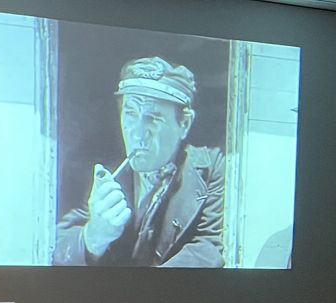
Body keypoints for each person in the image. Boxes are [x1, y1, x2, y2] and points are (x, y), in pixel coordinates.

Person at [52, 56, 225, 267]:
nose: (138, 134)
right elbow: (56, 246)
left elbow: (207, 246)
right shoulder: (100, 171)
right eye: (131, 113)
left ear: (185, 123)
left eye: (153, 117)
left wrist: (148, 290)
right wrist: (94, 236)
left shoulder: (211, 167)